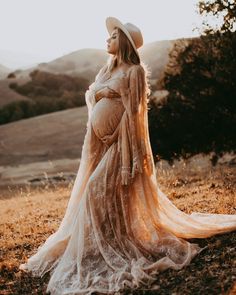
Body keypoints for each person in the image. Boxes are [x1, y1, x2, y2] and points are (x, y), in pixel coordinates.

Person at [19, 16, 236, 295]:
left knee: (97, 189)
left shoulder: (135, 71)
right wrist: (101, 95)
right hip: (103, 143)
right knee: (96, 190)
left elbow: (136, 115)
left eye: (112, 37)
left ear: (123, 41)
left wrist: (128, 151)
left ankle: (112, 243)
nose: (107, 40)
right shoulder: (106, 69)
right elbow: (92, 96)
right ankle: (100, 242)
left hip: (122, 144)